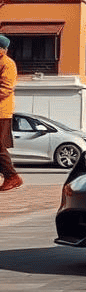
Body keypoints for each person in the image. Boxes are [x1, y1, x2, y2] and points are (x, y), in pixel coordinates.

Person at [0, 34, 23, 192]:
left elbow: (6, 88)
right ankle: (10, 176)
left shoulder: (7, 63)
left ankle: (12, 176)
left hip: (1, 112)